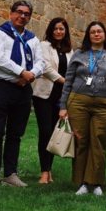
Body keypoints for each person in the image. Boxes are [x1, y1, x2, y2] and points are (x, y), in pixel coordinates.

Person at [59, 21, 106, 196]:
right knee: (81, 142)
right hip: (78, 103)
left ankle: (96, 183)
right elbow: (68, 81)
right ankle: (82, 183)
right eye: (93, 32)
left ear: (105, 35)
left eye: (99, 31)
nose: (96, 34)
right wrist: (63, 106)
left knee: (100, 142)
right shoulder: (79, 54)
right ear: (88, 35)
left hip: (104, 104)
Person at [0, 0, 45, 187]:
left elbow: (40, 62)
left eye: (26, 14)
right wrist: (21, 72)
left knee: (15, 133)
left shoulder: (32, 39)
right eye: (19, 12)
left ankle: (10, 174)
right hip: (1, 87)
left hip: (23, 90)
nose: (22, 16)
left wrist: (30, 75)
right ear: (11, 13)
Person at [31, 17, 73, 185]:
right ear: (50, 30)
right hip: (44, 95)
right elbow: (46, 68)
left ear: (66, 31)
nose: (58, 31)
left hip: (61, 97)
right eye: (55, 28)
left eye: (61, 29)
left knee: (54, 133)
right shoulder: (44, 46)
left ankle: (50, 171)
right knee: (45, 132)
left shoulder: (70, 51)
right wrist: (66, 82)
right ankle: (44, 171)